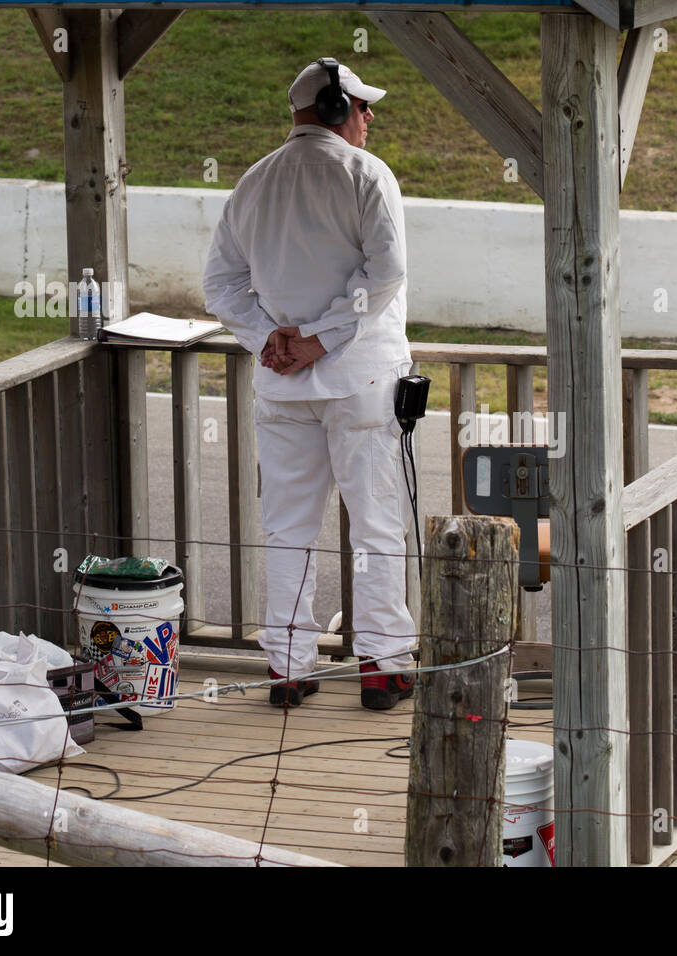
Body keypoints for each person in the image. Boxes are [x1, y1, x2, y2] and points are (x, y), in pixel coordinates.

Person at [202, 58, 416, 711]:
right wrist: (321, 338)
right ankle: (382, 665)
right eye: (361, 106)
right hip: (362, 381)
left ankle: (288, 668)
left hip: (283, 388)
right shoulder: (366, 175)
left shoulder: (254, 181)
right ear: (335, 108)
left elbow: (220, 284)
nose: (369, 116)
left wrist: (271, 337)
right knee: (377, 526)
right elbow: (385, 276)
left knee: (287, 527)